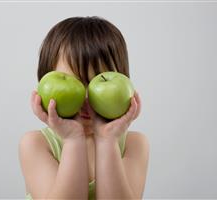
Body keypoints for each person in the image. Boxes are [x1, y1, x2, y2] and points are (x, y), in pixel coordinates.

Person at [19, 16, 150, 200]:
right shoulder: (36, 144)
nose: (86, 99)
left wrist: (107, 141)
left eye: (98, 82)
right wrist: (72, 139)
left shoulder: (134, 144)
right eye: (75, 84)